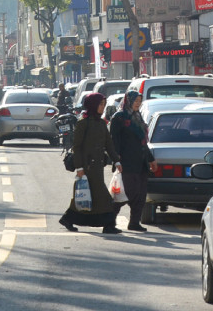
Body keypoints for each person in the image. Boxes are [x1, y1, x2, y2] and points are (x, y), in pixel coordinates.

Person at [59, 92, 121, 234]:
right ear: (93, 105)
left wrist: (117, 161)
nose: (102, 107)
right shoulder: (83, 123)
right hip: (87, 167)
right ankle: (109, 225)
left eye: (104, 104)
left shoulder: (101, 123)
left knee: (89, 196)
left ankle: (68, 219)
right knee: (103, 197)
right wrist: (80, 167)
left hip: (98, 166)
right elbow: (77, 147)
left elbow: (109, 144)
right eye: (100, 104)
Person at [109, 90, 156, 232]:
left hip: (140, 162)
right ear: (128, 101)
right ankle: (110, 222)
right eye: (135, 101)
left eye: (139, 101)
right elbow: (114, 141)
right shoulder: (119, 117)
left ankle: (134, 222)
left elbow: (142, 141)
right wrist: (116, 160)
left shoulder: (137, 116)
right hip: (126, 162)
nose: (138, 104)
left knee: (141, 194)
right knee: (125, 194)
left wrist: (151, 159)